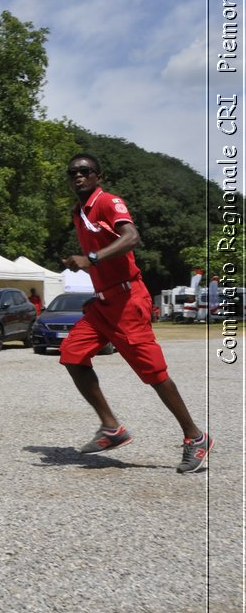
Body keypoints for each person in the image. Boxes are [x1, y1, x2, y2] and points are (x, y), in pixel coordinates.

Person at [61, 154, 213, 474]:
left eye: (85, 171)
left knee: (154, 374)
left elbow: (131, 237)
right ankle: (111, 428)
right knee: (73, 354)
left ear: (97, 176)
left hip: (128, 301)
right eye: (73, 172)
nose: (78, 176)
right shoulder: (80, 211)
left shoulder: (108, 201)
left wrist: (92, 258)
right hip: (103, 304)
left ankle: (195, 437)